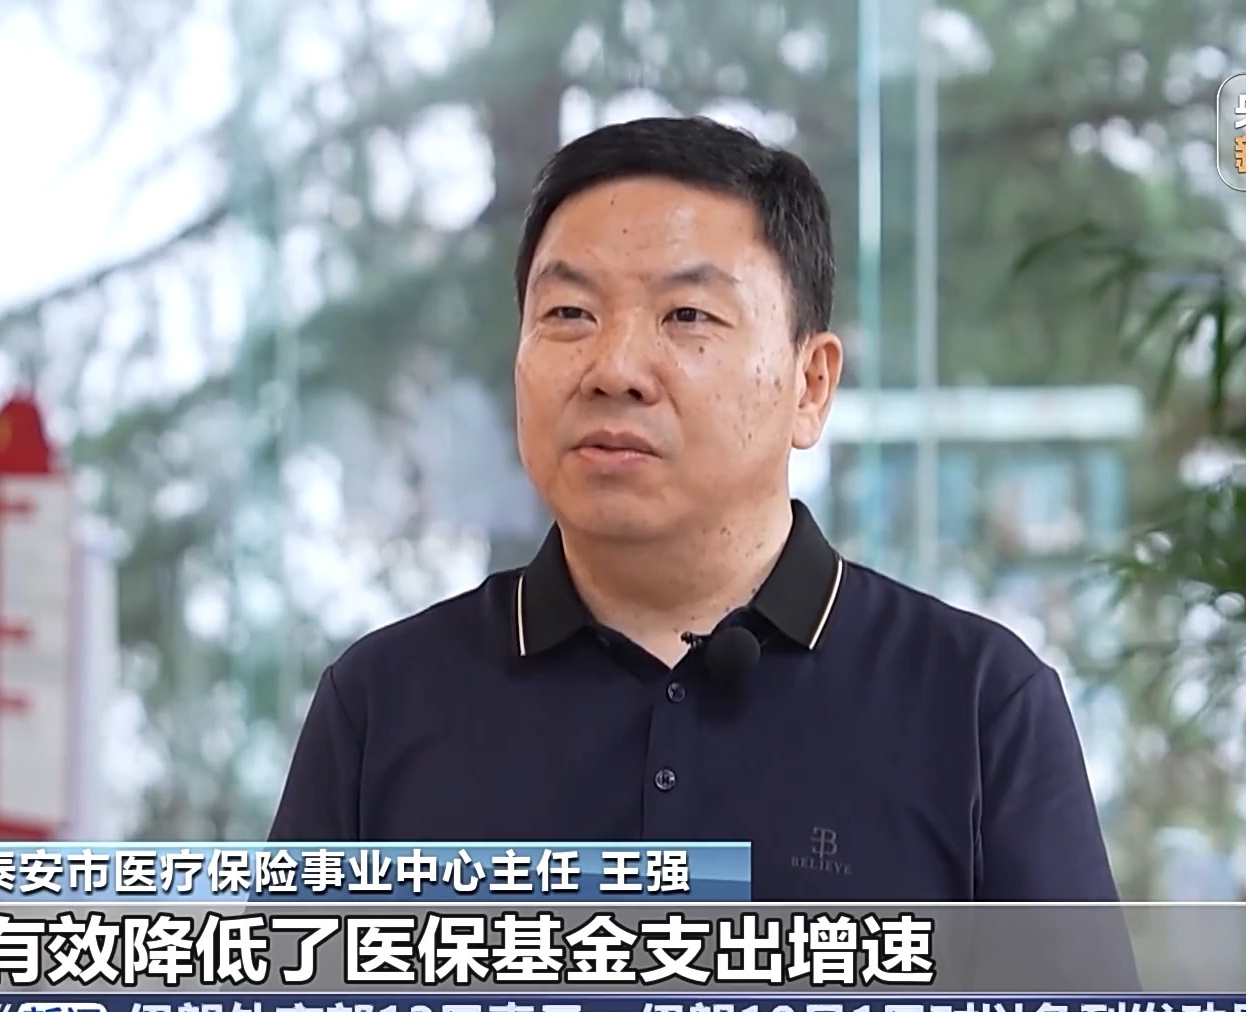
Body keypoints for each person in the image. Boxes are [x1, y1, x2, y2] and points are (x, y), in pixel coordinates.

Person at [269, 116, 1121, 907]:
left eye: (687, 315)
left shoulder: (978, 707)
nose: (614, 369)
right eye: (568, 314)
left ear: (810, 385)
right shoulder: (383, 704)